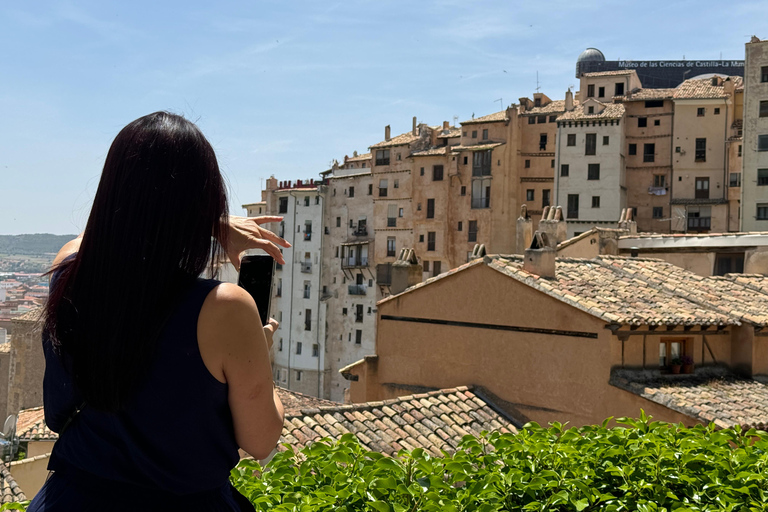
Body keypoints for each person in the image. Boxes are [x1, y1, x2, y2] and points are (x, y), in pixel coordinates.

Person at [27, 112, 288, 511]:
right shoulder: (227, 310)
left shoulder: (67, 275)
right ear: (206, 201)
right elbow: (260, 440)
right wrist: (259, 355)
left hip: (69, 499)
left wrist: (204, 219)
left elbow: (91, 238)